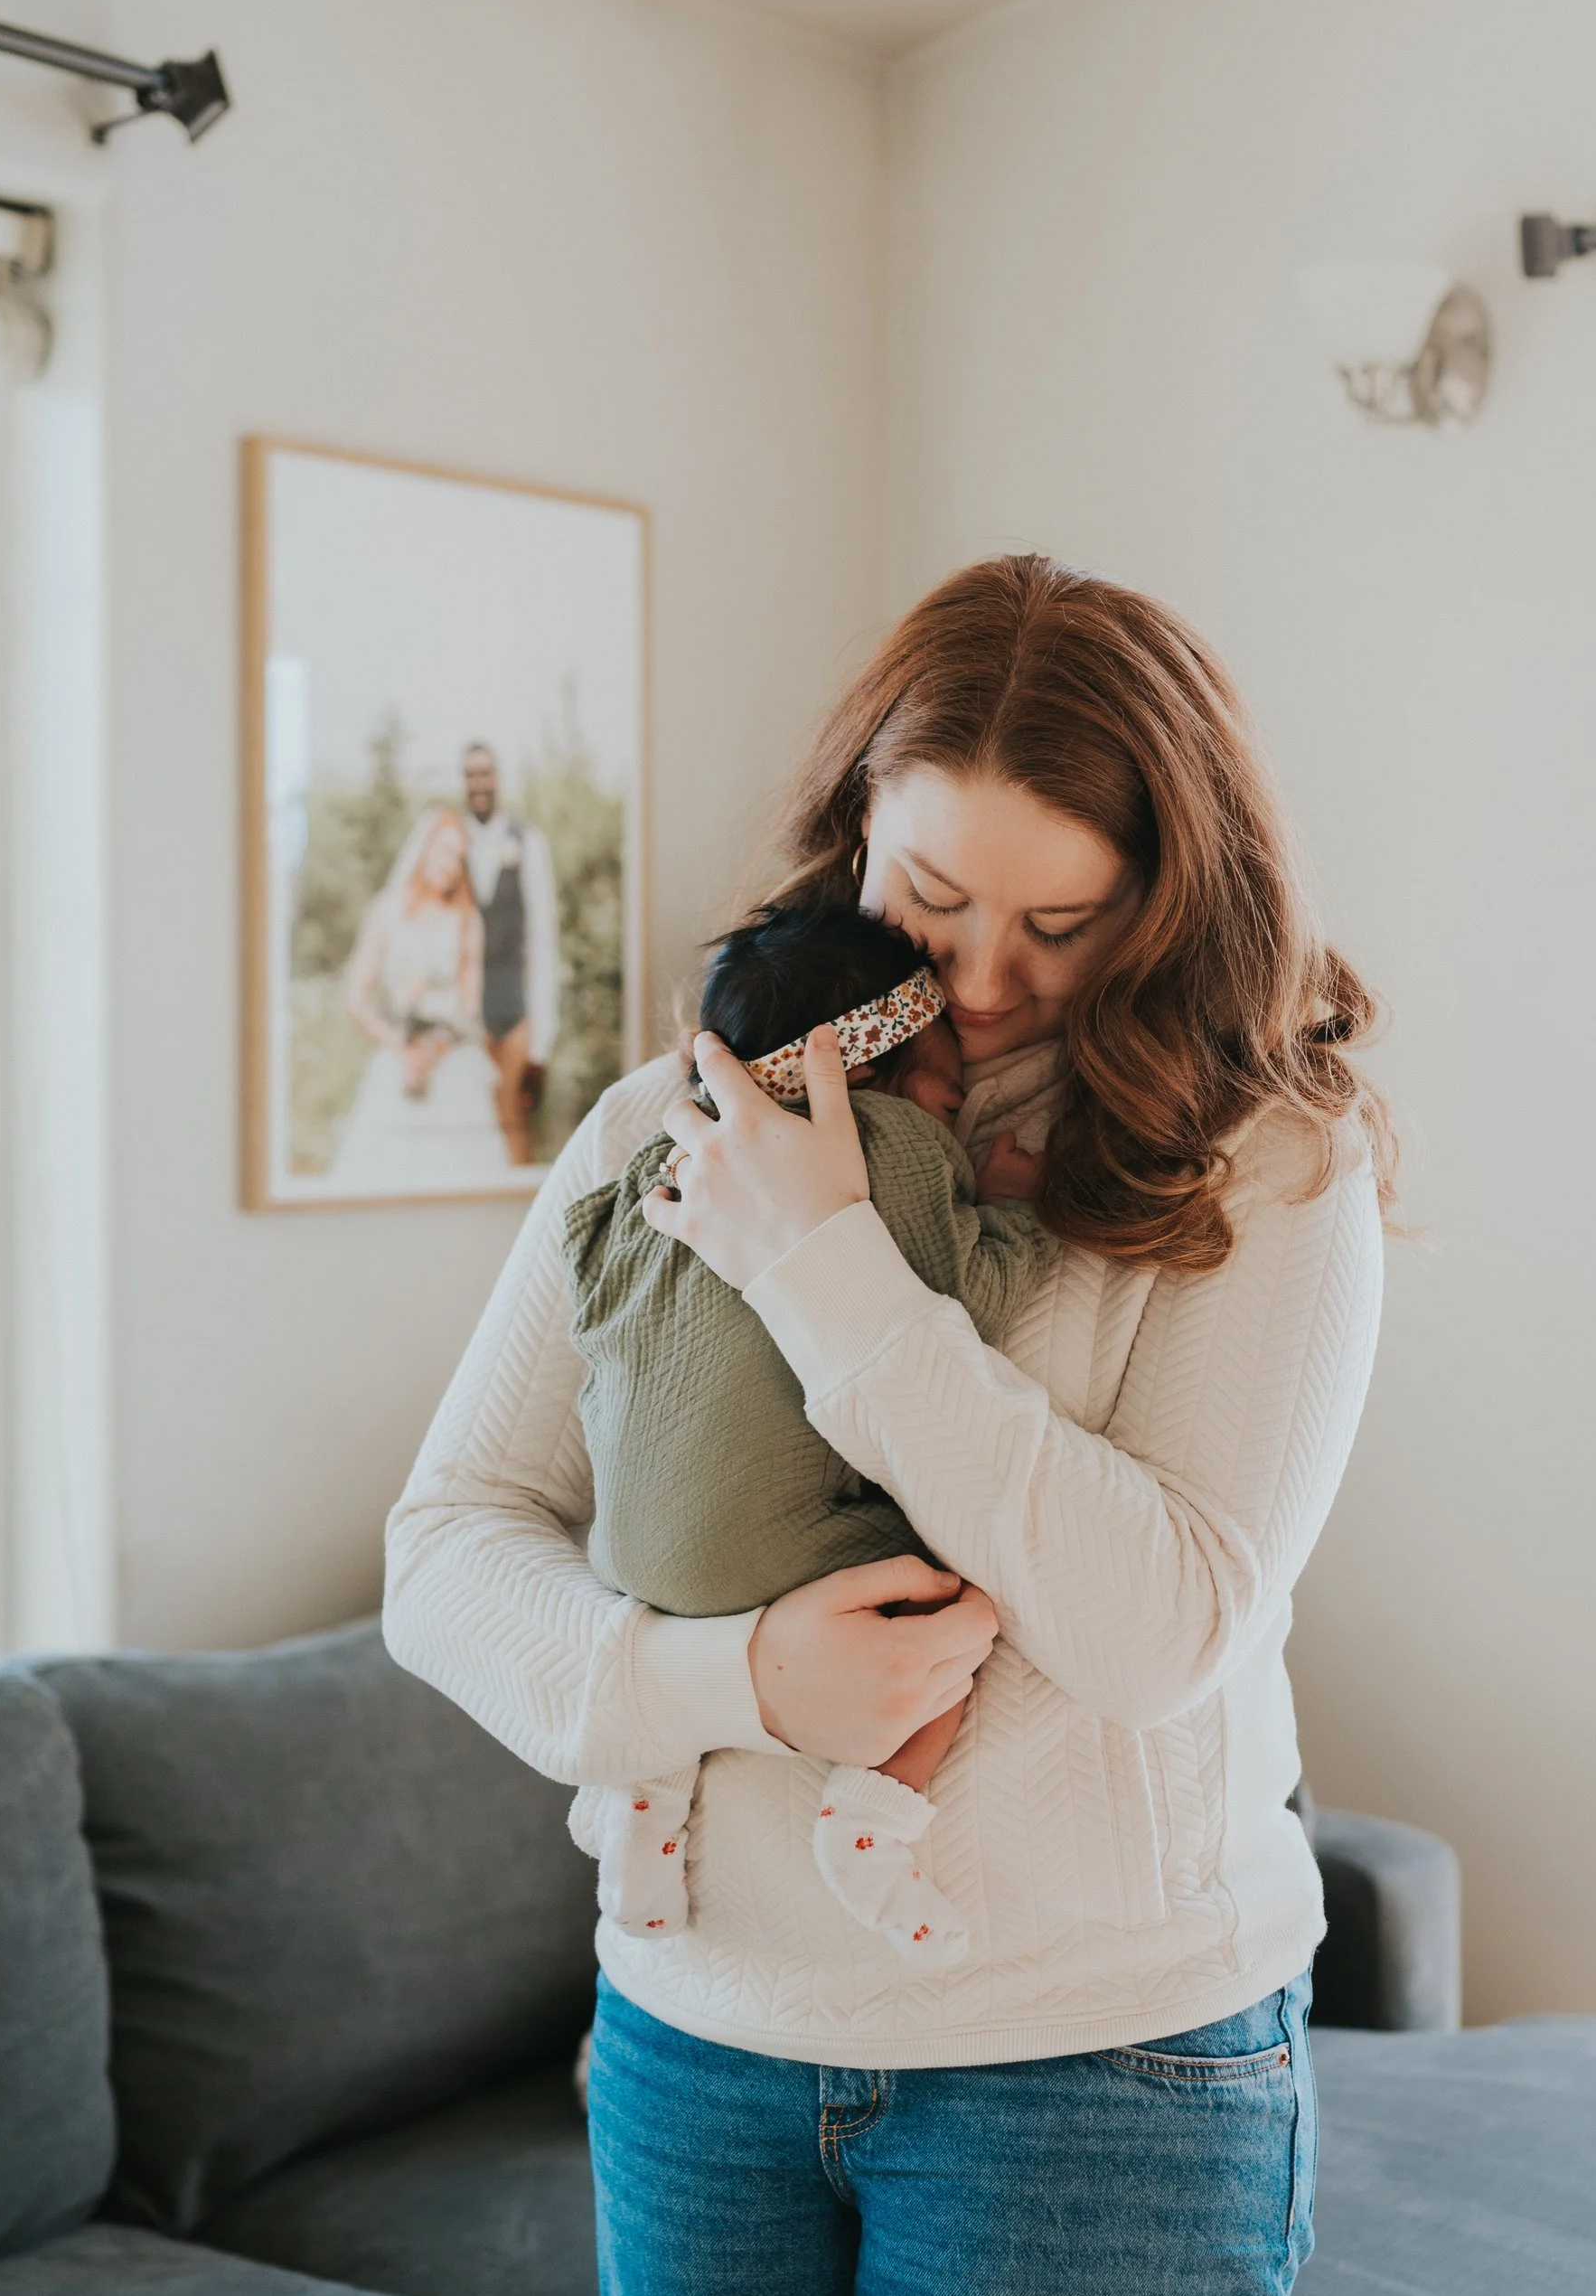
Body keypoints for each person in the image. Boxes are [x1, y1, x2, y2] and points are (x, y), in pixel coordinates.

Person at [385, 554, 1389, 2296]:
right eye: (937, 898)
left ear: (1174, 896)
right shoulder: (666, 1124)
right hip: (699, 2075)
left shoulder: (1265, 1170)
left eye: (1070, 919)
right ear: (854, 834)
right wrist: (724, 1683)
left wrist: (836, 1270)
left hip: (1093, 2087)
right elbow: (450, 1543)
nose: (998, 972)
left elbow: (1160, 1614)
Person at [564, 892, 1054, 1956]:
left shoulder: (660, 1155)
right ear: (871, 1068)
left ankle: (641, 1798)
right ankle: (874, 1816)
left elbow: (586, 1278)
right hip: (774, 1553)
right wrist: (1010, 1204)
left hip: (624, 1560)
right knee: (957, 1591)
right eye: (948, 1079)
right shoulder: (884, 1141)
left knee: (683, 1575)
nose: (954, 1104)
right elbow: (959, 1296)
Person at [331, 809, 512, 1190]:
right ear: (425, 847)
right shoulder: (387, 910)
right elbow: (356, 998)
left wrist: (437, 1046)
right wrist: (401, 1045)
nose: (450, 865)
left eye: (459, 858)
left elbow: (470, 1004)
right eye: (445, 851)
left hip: (451, 1059)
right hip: (398, 1058)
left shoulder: (467, 919)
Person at [460, 739, 560, 1164]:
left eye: (485, 773)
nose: (478, 783)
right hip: (464, 1010)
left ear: (497, 778)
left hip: (513, 1004)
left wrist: (543, 1038)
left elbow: (542, 937)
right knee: (470, 1124)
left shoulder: (528, 841)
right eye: (470, 775)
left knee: (513, 1123)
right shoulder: (451, 841)